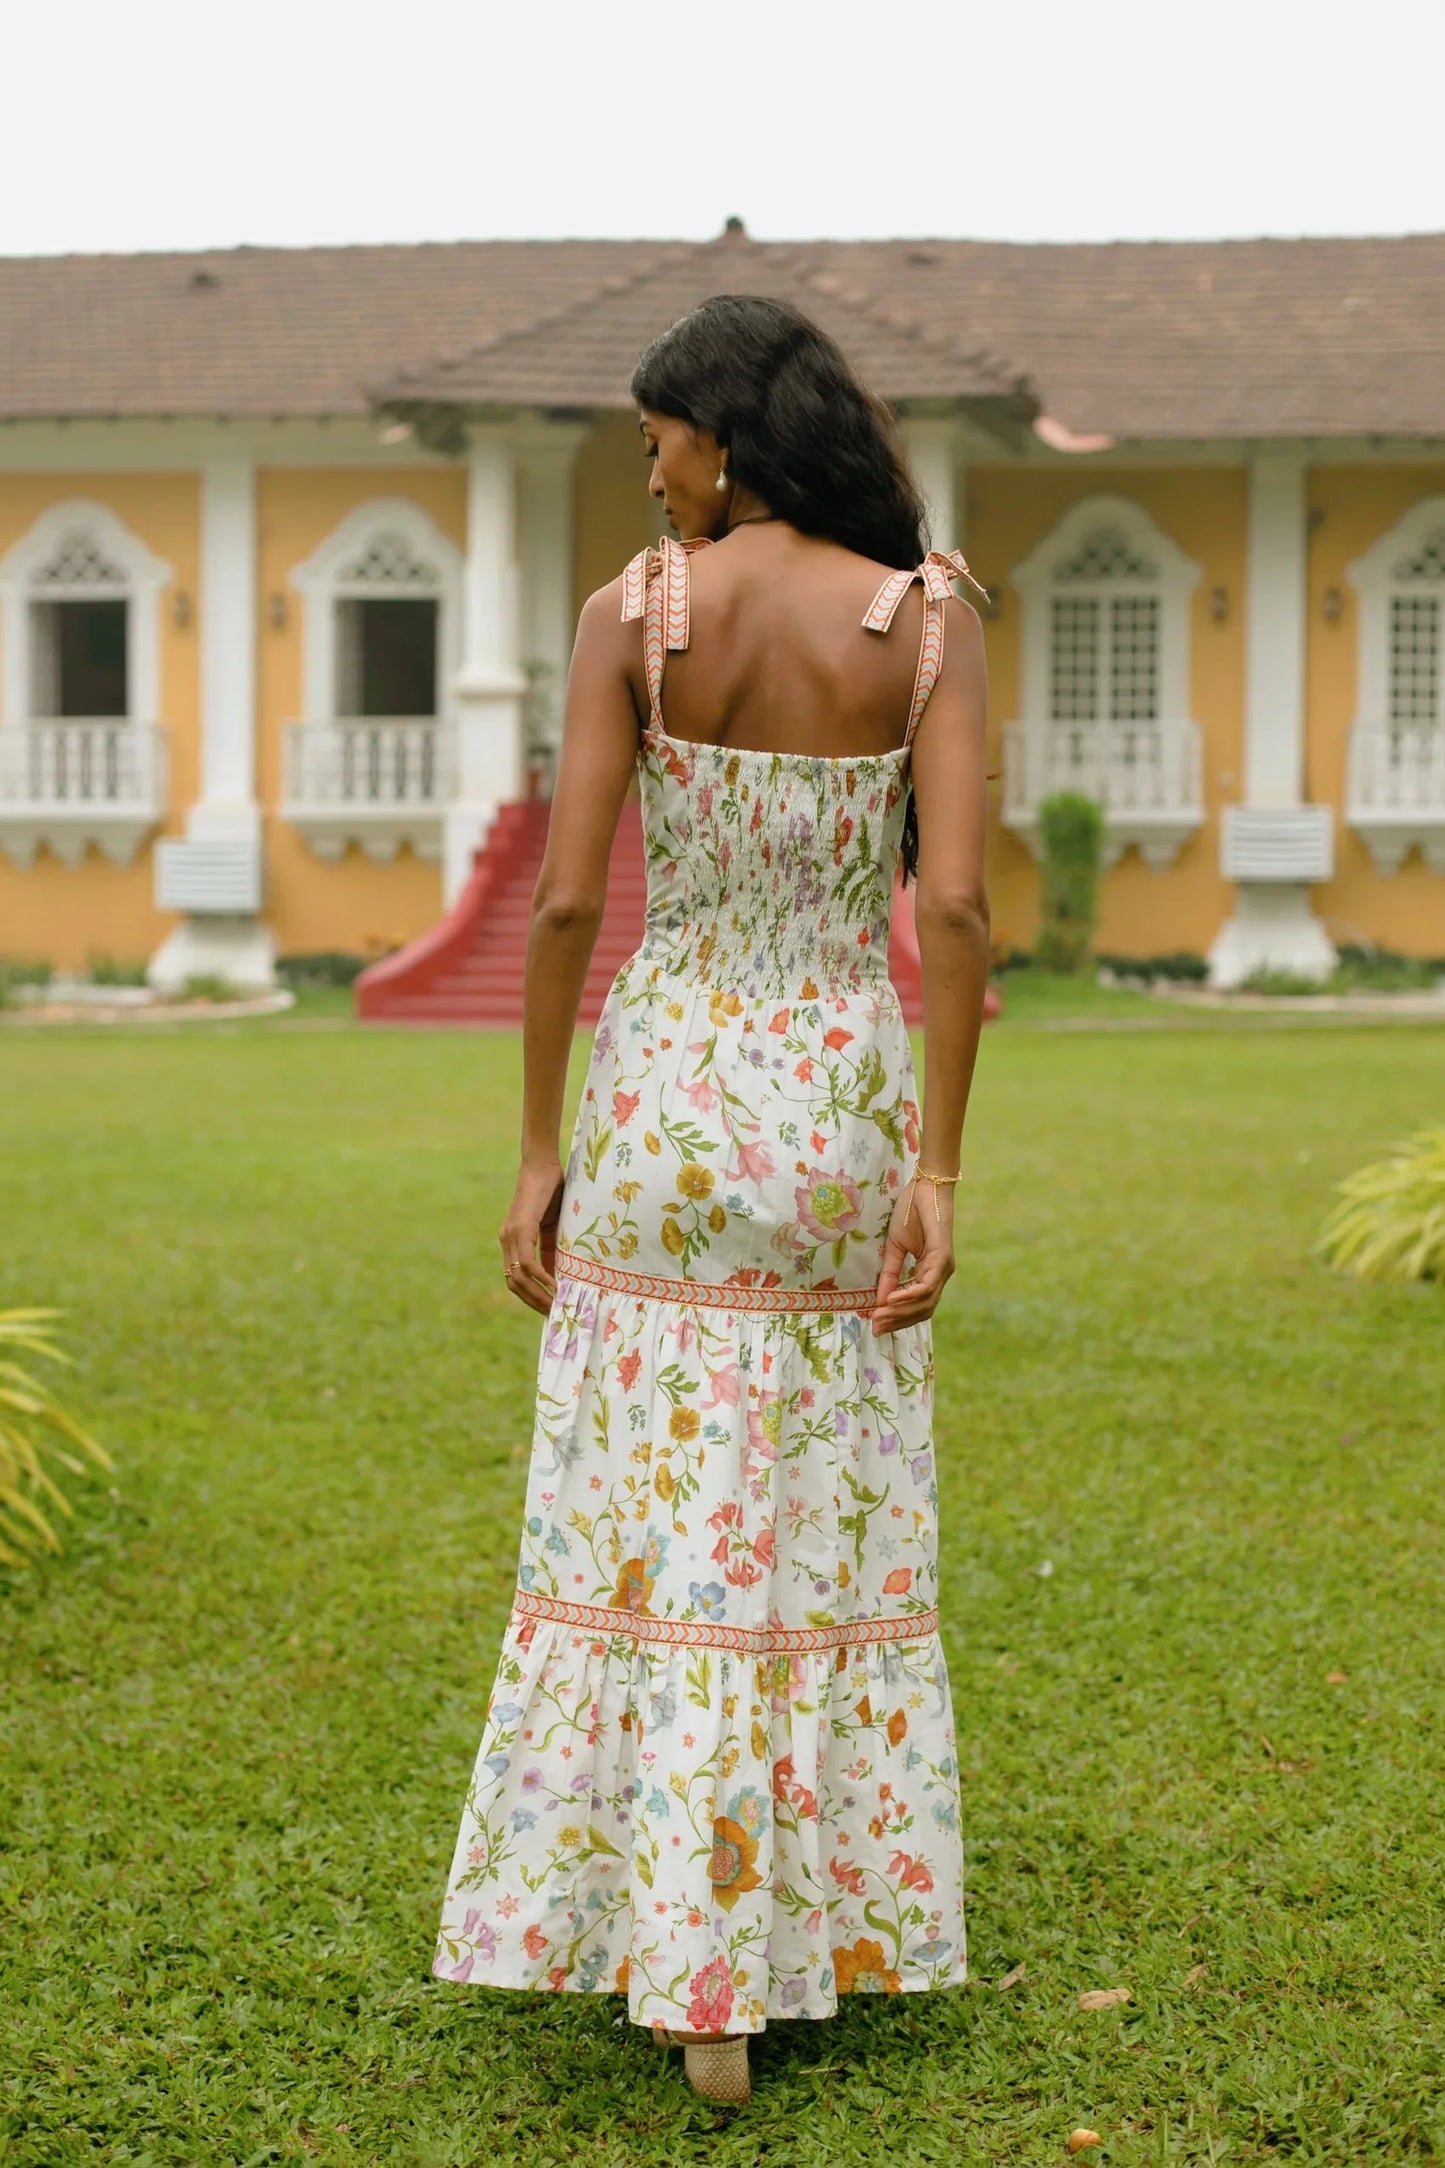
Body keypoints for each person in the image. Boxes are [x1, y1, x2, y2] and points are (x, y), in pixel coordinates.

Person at [434, 294, 992, 2105]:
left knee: (655, 1520)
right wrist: (937, 1168)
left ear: (726, 434)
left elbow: (576, 907)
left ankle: (684, 1972)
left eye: (659, 432)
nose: (648, 464)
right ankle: (786, 1925)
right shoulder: (925, 619)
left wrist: (539, 1145)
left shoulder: (637, 615)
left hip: (669, 1103)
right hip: (835, 1100)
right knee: (804, 1522)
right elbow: (961, 920)